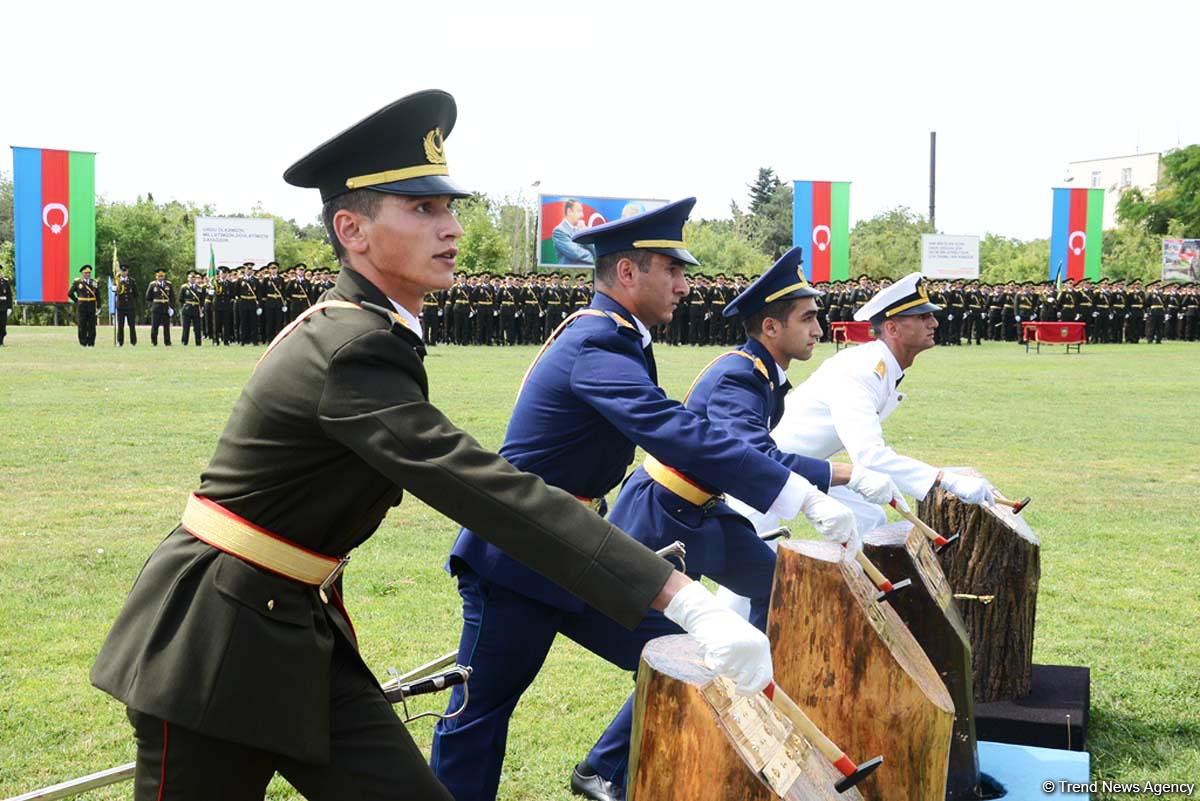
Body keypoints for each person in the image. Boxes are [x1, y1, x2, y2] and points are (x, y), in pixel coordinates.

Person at [90, 90, 769, 801]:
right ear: (352, 229)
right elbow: (480, 485)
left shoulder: (371, 331)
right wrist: (685, 599)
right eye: (422, 208)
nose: (450, 227)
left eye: (449, 207)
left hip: (291, 627)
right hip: (212, 644)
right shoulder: (349, 347)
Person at [432, 200, 876, 801]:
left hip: (580, 547)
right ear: (627, 274)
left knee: (693, 654)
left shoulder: (621, 339)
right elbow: (674, 432)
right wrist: (797, 489)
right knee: (480, 715)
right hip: (520, 552)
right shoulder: (596, 342)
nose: (684, 286)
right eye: (671, 270)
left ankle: (610, 771)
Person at [575, 248, 900, 800]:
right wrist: (839, 475)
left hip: (705, 513)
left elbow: (755, 454)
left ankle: (761, 710)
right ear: (770, 326)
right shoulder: (736, 376)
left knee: (779, 592)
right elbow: (749, 451)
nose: (819, 329)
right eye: (807, 319)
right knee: (685, 646)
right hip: (661, 514)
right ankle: (601, 768)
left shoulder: (763, 376)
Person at [725, 273, 998, 548]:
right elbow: (869, 456)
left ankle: (853, 587)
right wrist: (945, 479)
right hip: (765, 469)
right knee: (748, 577)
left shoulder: (881, 367)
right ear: (892, 329)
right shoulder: (863, 370)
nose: (934, 323)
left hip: (809, 464)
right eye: (922, 317)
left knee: (869, 518)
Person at [552, 199, 596, 265]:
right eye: (579, 211)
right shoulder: (559, 231)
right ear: (569, 211)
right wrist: (594, 258)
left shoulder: (581, 229)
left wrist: (585, 232)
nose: (582, 215)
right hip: (569, 272)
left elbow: (594, 250)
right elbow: (575, 253)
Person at [68, 265, 100, 346]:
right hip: (82, 307)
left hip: (91, 307)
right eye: (86, 273)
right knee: (82, 325)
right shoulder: (78, 283)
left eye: (89, 273)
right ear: (82, 274)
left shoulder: (94, 282)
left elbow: (98, 296)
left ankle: (91, 343)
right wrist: (77, 301)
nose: (88, 274)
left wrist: (98, 306)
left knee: (92, 326)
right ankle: (83, 342)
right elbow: (69, 293)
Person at [145, 268, 174, 346]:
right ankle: (154, 341)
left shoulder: (168, 284)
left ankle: (167, 342)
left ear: (164, 276)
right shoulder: (152, 285)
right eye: (159, 276)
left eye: (162, 276)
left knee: (166, 326)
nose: (160, 277)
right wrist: (151, 307)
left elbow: (172, 297)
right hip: (156, 308)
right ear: (156, 276)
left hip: (165, 307)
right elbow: (148, 297)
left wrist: (171, 307)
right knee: (155, 326)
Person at [115, 263, 138, 346]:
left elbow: (136, 294)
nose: (124, 272)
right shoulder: (117, 281)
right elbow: (115, 293)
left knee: (132, 325)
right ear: (120, 271)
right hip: (120, 306)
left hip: (130, 306)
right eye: (122, 271)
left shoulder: (132, 281)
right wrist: (115, 289)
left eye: (125, 271)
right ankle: (120, 341)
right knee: (120, 325)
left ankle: (133, 341)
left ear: (127, 271)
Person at [179, 271, 205, 346]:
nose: (192, 279)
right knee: (186, 327)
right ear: (188, 278)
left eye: (194, 278)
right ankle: (184, 342)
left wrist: (201, 309)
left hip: (196, 309)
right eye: (191, 278)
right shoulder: (184, 287)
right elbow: (181, 299)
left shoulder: (200, 288)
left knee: (197, 327)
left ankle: (198, 342)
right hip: (187, 309)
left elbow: (202, 300)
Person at [0, 270, 12, 345]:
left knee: (3, 325)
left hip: (3, 307)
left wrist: (9, 307)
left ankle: (1, 341)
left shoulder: (5, 282)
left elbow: (9, 296)